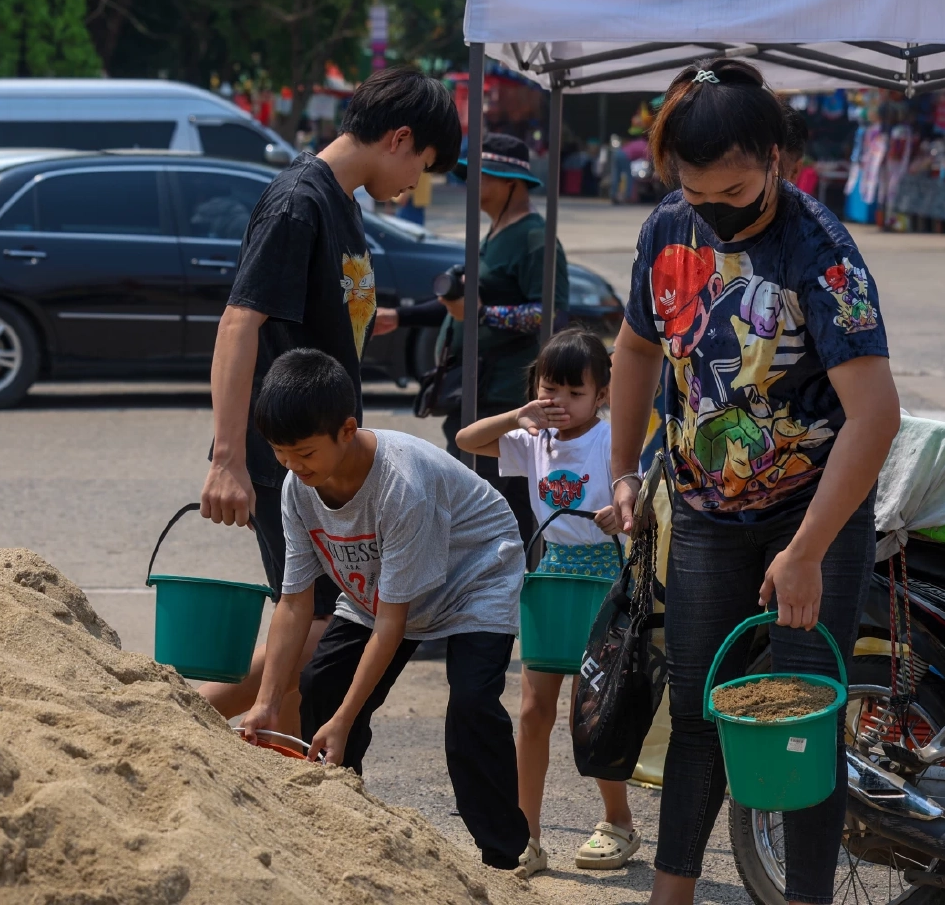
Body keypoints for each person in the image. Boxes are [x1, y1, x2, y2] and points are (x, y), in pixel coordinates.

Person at [605, 58, 900, 905]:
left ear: (778, 157)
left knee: (804, 718)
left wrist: (807, 552)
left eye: (733, 191)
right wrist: (625, 469)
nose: (714, 213)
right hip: (703, 509)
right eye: (695, 194)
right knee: (698, 707)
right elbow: (633, 348)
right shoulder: (667, 228)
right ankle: (673, 892)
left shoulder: (823, 253)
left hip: (815, 514)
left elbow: (875, 416)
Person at [197, 67, 461, 732]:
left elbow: (326, 314)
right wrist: (227, 458)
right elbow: (239, 323)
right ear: (399, 138)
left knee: (316, 615)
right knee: (315, 616)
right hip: (293, 450)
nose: (414, 185)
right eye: (421, 166)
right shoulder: (298, 203)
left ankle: (240, 737)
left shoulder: (341, 202)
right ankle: (192, 720)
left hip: (328, 452)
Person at [240, 349, 532, 871]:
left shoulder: (401, 484)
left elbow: (395, 624)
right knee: (321, 688)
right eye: (281, 453)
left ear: (347, 429)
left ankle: (504, 856)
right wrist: (264, 700)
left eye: (304, 452)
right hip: (382, 586)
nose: (293, 466)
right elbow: (294, 601)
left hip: (474, 573)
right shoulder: (297, 488)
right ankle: (342, 823)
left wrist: (346, 720)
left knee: (470, 706)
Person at [455, 328, 639, 876]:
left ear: (602, 395)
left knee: (594, 713)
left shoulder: (611, 439)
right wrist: (518, 416)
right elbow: (467, 439)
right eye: (548, 387)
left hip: (604, 578)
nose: (558, 402)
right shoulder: (532, 438)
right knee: (534, 711)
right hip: (551, 573)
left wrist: (623, 511)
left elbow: (648, 489)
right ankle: (526, 835)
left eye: (574, 392)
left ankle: (619, 822)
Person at [437, 133, 570, 547]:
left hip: (510, 398)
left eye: (483, 176)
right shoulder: (493, 232)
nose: (472, 185)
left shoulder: (535, 238)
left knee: (501, 516)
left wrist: (483, 314)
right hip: (475, 390)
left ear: (511, 181)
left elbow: (551, 314)